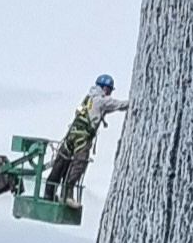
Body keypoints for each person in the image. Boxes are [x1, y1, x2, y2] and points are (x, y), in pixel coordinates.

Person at [44, 75, 129, 208]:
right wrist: (134, 102)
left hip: (71, 135)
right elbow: (119, 105)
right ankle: (67, 195)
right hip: (82, 138)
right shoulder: (102, 101)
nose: (110, 93)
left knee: (61, 163)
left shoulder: (88, 98)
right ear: (106, 89)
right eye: (110, 90)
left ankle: (48, 193)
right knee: (79, 164)